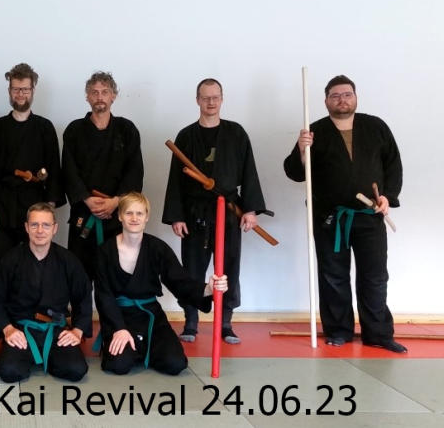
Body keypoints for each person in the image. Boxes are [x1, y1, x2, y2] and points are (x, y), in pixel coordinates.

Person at [284, 75, 405, 353]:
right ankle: (338, 331)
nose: (342, 99)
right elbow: (295, 173)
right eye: (335, 95)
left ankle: (378, 333)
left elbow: (393, 166)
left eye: (347, 94)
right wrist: (302, 150)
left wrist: (387, 197)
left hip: (370, 215)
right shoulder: (314, 132)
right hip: (330, 218)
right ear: (326, 100)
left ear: (356, 97)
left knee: (374, 276)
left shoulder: (376, 127)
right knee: (333, 276)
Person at [162, 78, 270, 344]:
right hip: (195, 212)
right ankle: (190, 321)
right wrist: (177, 216)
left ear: (222, 99)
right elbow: (176, 179)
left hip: (228, 212)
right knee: (192, 269)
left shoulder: (236, 133)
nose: (210, 102)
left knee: (229, 268)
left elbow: (249, 172)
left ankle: (225, 323)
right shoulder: (186, 136)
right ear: (197, 100)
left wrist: (250, 210)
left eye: (215, 97)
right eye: (205, 97)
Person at [95, 193, 227, 375]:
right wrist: (118, 328)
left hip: (151, 316)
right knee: (119, 365)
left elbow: (179, 281)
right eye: (129, 213)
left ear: (146, 217)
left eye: (139, 213)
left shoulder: (158, 248)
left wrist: (208, 289)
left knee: (175, 364)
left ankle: (141, 347)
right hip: (119, 316)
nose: (134, 218)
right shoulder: (105, 251)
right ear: (120, 216)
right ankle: (122, 344)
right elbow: (103, 295)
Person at [0, 203, 92, 382]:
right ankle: (30, 357)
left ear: (54, 228)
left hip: (55, 330)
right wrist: (8, 329)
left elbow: (83, 297)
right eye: (34, 225)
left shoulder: (68, 260)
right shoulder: (11, 259)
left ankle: (47, 358)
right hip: (21, 330)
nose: (40, 231)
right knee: (9, 371)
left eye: (46, 225)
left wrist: (77, 330)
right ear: (26, 227)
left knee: (76, 370)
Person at [0, 63, 65, 266]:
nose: (20, 94)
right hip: (3, 205)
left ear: (33, 91)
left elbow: (54, 168)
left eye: (25, 89)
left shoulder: (45, 127)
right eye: (16, 89)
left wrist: (50, 208)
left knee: (35, 260)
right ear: (9, 91)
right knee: (2, 260)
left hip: (35, 203)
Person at [62, 71, 143, 279]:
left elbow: (134, 171)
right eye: (94, 92)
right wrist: (87, 199)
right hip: (84, 213)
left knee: (114, 274)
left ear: (113, 96)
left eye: (105, 92)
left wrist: (115, 201)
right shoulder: (74, 130)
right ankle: (82, 304)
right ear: (87, 96)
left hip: (116, 215)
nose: (100, 97)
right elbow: (69, 171)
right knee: (79, 274)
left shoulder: (127, 129)